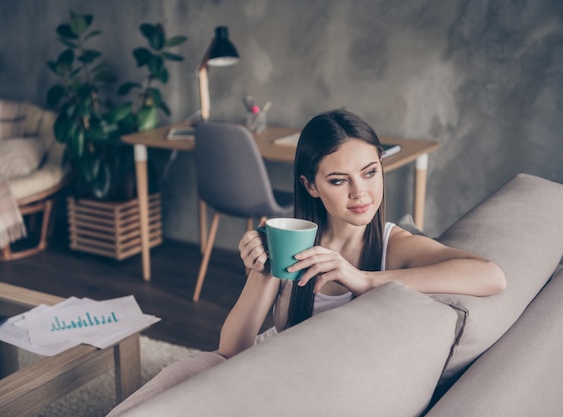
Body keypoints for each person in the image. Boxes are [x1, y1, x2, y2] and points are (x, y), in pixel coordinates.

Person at [106, 109, 506, 415]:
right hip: (267, 358)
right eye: (338, 180)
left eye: (369, 172)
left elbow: (491, 276)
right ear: (310, 186)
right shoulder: (291, 242)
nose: (360, 192)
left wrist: (364, 280)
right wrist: (260, 275)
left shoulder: (392, 245)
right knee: (169, 389)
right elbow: (230, 349)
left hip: (307, 382)